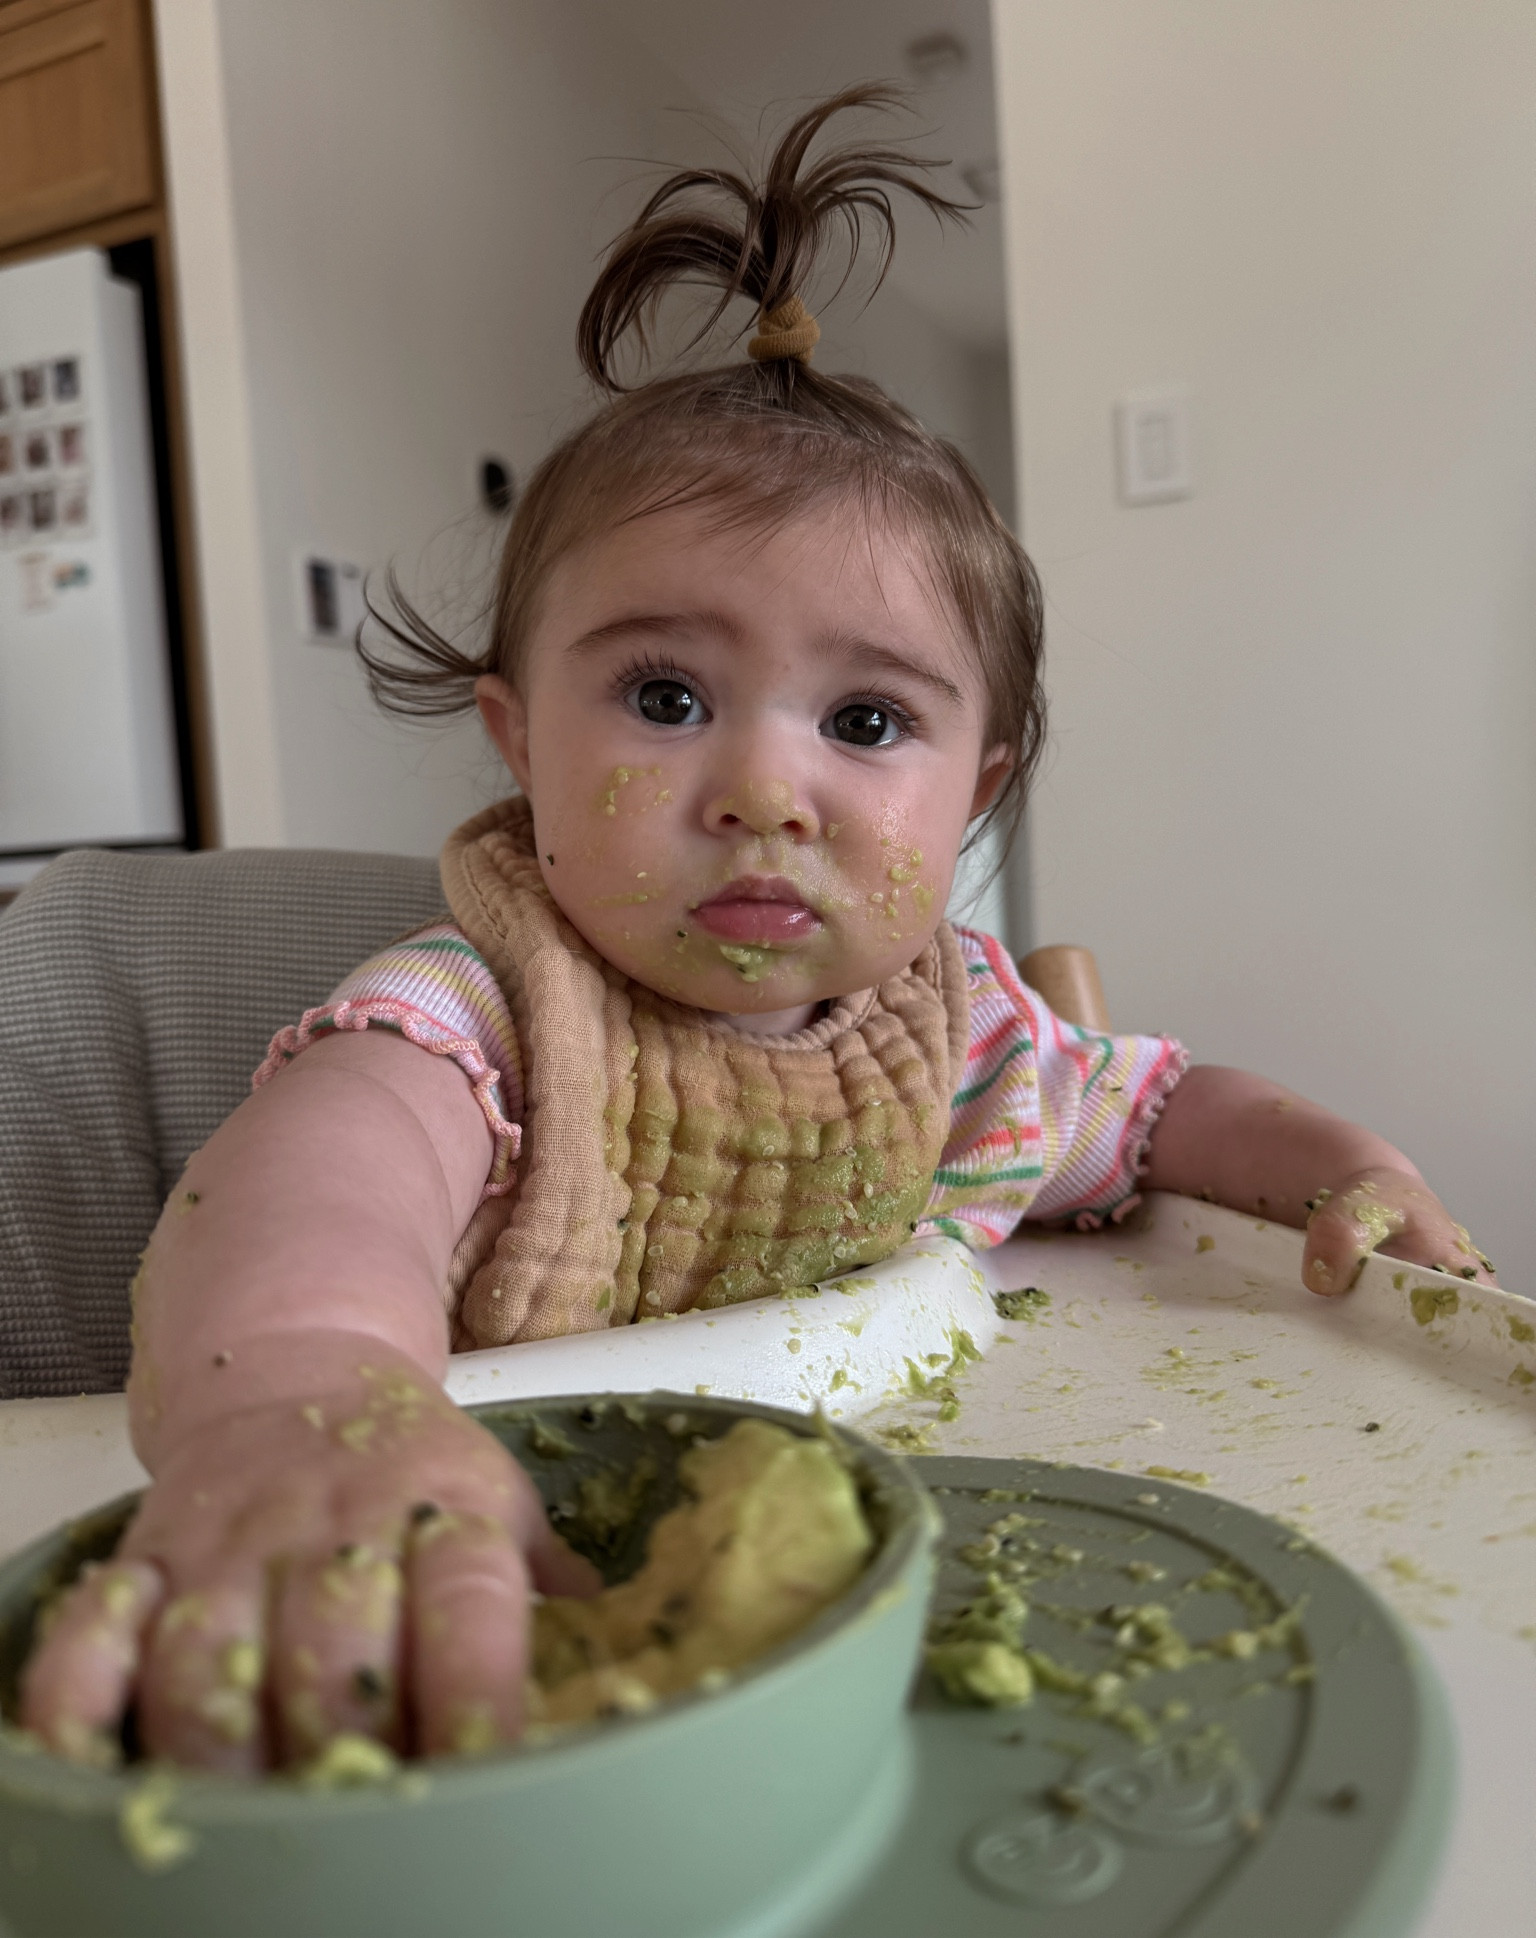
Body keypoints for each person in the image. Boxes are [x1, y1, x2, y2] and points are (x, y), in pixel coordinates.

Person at [20, 87, 1494, 1775]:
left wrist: (1335, 1163)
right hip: (492, 1574)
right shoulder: (483, 1019)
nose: (763, 789)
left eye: (866, 725)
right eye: (665, 695)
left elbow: (1158, 1112)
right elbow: (318, 1188)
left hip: (861, 1577)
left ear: (978, 790)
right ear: (521, 741)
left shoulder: (974, 1058)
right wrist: (297, 1393)